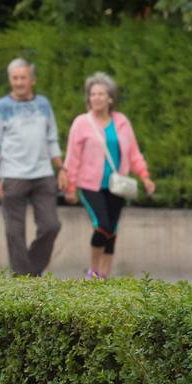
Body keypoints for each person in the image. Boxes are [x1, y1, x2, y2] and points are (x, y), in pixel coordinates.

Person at [62, 72, 154, 279]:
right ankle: (93, 271)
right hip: (90, 185)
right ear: (88, 98)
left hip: (116, 185)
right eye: (92, 94)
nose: (96, 98)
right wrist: (70, 187)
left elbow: (134, 153)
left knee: (112, 229)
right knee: (102, 225)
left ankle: (105, 275)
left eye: (101, 94)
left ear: (110, 98)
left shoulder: (121, 122)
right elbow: (73, 157)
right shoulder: (81, 123)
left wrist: (145, 176)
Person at [0, 58, 65, 276]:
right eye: (14, 78)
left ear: (33, 80)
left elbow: (52, 139)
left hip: (43, 174)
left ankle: (30, 272)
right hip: (12, 176)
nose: (19, 82)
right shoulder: (2, 107)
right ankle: (23, 279)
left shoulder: (44, 104)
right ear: (10, 80)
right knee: (14, 232)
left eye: (23, 78)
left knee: (51, 226)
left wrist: (61, 167)